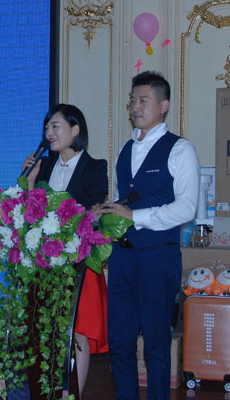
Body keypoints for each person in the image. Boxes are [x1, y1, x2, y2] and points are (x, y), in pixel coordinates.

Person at [96, 71, 200, 400]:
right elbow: (121, 200)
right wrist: (106, 212)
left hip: (158, 256)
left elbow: (187, 208)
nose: (135, 107)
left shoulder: (180, 149)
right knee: (120, 342)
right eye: (132, 100)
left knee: (156, 344)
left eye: (143, 100)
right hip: (122, 258)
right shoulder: (125, 149)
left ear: (163, 105)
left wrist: (135, 216)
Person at [22, 103, 109, 398]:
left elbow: (93, 210)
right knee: (43, 329)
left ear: (75, 129)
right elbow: (29, 214)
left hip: (78, 261)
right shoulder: (44, 166)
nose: (49, 132)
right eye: (47, 127)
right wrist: (30, 180)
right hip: (44, 263)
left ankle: (71, 395)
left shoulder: (95, 167)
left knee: (77, 330)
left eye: (55, 126)